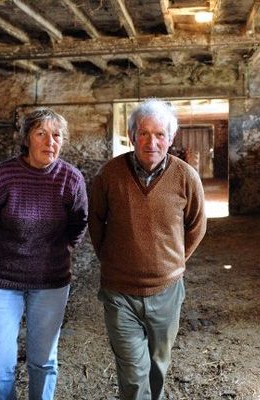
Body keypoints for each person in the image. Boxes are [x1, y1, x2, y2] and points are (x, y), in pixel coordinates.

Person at [88, 99, 207, 400]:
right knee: (132, 372)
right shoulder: (109, 175)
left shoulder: (185, 177)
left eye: (159, 134)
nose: (151, 142)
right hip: (119, 293)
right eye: (143, 133)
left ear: (170, 138)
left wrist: (174, 263)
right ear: (132, 136)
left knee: (158, 365)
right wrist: (112, 259)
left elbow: (197, 225)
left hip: (167, 291)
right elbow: (96, 219)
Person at [0, 107, 88, 400]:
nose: (50, 141)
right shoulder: (1, 176)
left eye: (56, 135)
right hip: (1, 280)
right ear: (27, 139)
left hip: (50, 280)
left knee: (43, 360)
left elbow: (79, 225)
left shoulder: (71, 179)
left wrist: (57, 254)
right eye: (41, 134)